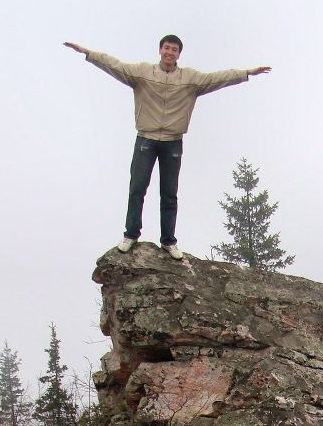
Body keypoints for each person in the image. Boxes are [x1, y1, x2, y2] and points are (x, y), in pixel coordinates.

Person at [64, 35, 271, 260]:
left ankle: (168, 241)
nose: (170, 52)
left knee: (169, 194)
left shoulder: (190, 79)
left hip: (173, 141)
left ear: (179, 54)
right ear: (160, 50)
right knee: (137, 189)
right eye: (167, 48)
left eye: (174, 49)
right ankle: (130, 235)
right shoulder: (143, 73)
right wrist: (88, 53)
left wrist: (246, 73)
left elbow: (217, 78)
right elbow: (115, 65)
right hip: (146, 138)